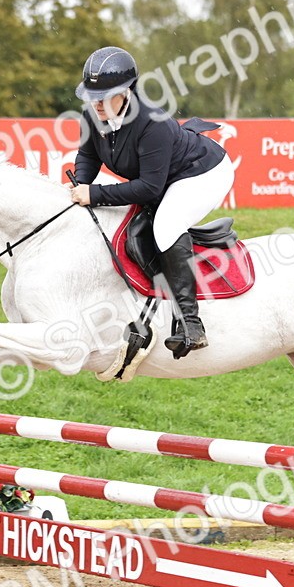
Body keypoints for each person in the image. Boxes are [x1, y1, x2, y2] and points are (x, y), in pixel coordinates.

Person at [70, 46, 234, 359]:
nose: (96, 103)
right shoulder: (93, 115)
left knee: (166, 225)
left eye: (105, 95)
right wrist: (82, 183)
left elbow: (148, 187)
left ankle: (190, 323)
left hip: (203, 173)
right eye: (92, 95)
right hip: (164, 177)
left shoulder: (151, 122)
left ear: (127, 91)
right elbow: (88, 155)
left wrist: (95, 194)